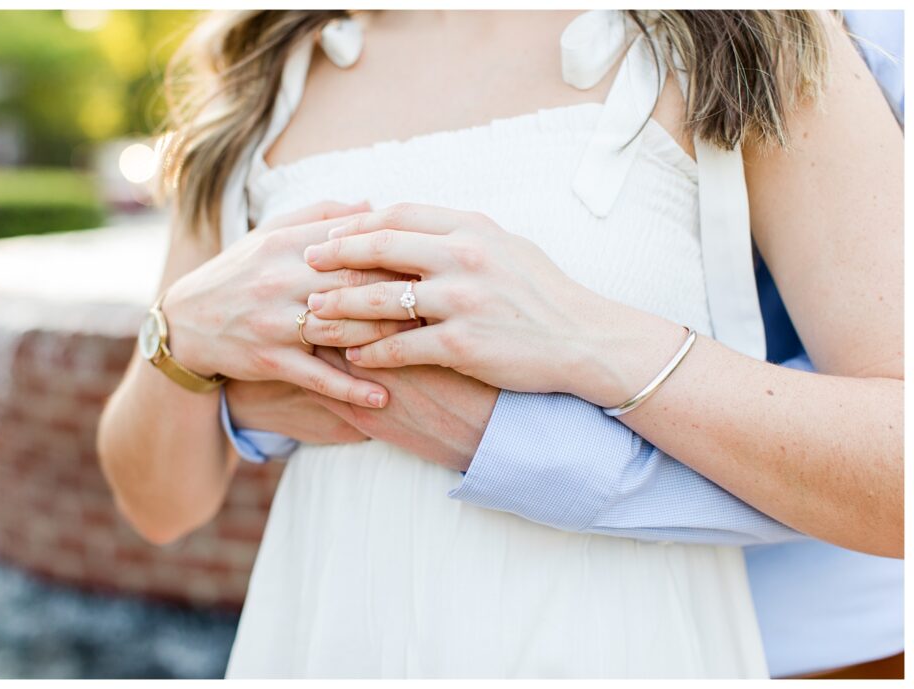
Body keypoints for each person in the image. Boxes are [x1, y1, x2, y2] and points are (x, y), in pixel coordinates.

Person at [96, 10, 900, 678]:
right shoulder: (262, 78)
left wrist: (584, 334)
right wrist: (179, 333)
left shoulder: (746, 29)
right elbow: (158, 506)